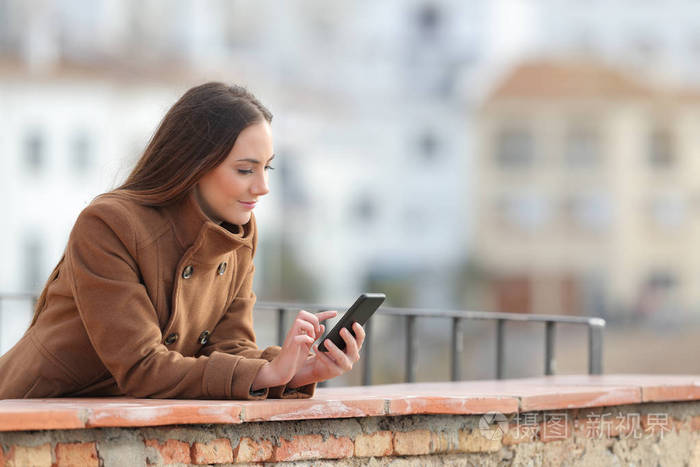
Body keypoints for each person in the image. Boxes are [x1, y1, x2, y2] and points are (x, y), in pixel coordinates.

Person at [0, 82, 365, 400]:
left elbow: (229, 348)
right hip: (34, 411)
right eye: (244, 170)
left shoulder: (237, 235)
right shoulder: (108, 225)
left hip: (130, 416)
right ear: (196, 163)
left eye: (265, 167)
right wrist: (265, 374)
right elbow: (142, 366)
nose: (262, 187)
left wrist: (299, 370)